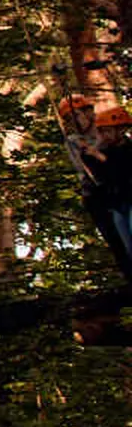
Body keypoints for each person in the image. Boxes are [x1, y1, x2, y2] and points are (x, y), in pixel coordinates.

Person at [58, 53, 132, 287]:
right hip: (98, 192)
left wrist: (95, 151)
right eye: (71, 118)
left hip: (119, 188)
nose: (77, 120)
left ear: (90, 112)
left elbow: (113, 156)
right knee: (118, 240)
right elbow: (86, 164)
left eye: (79, 114)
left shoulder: (106, 132)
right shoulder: (74, 140)